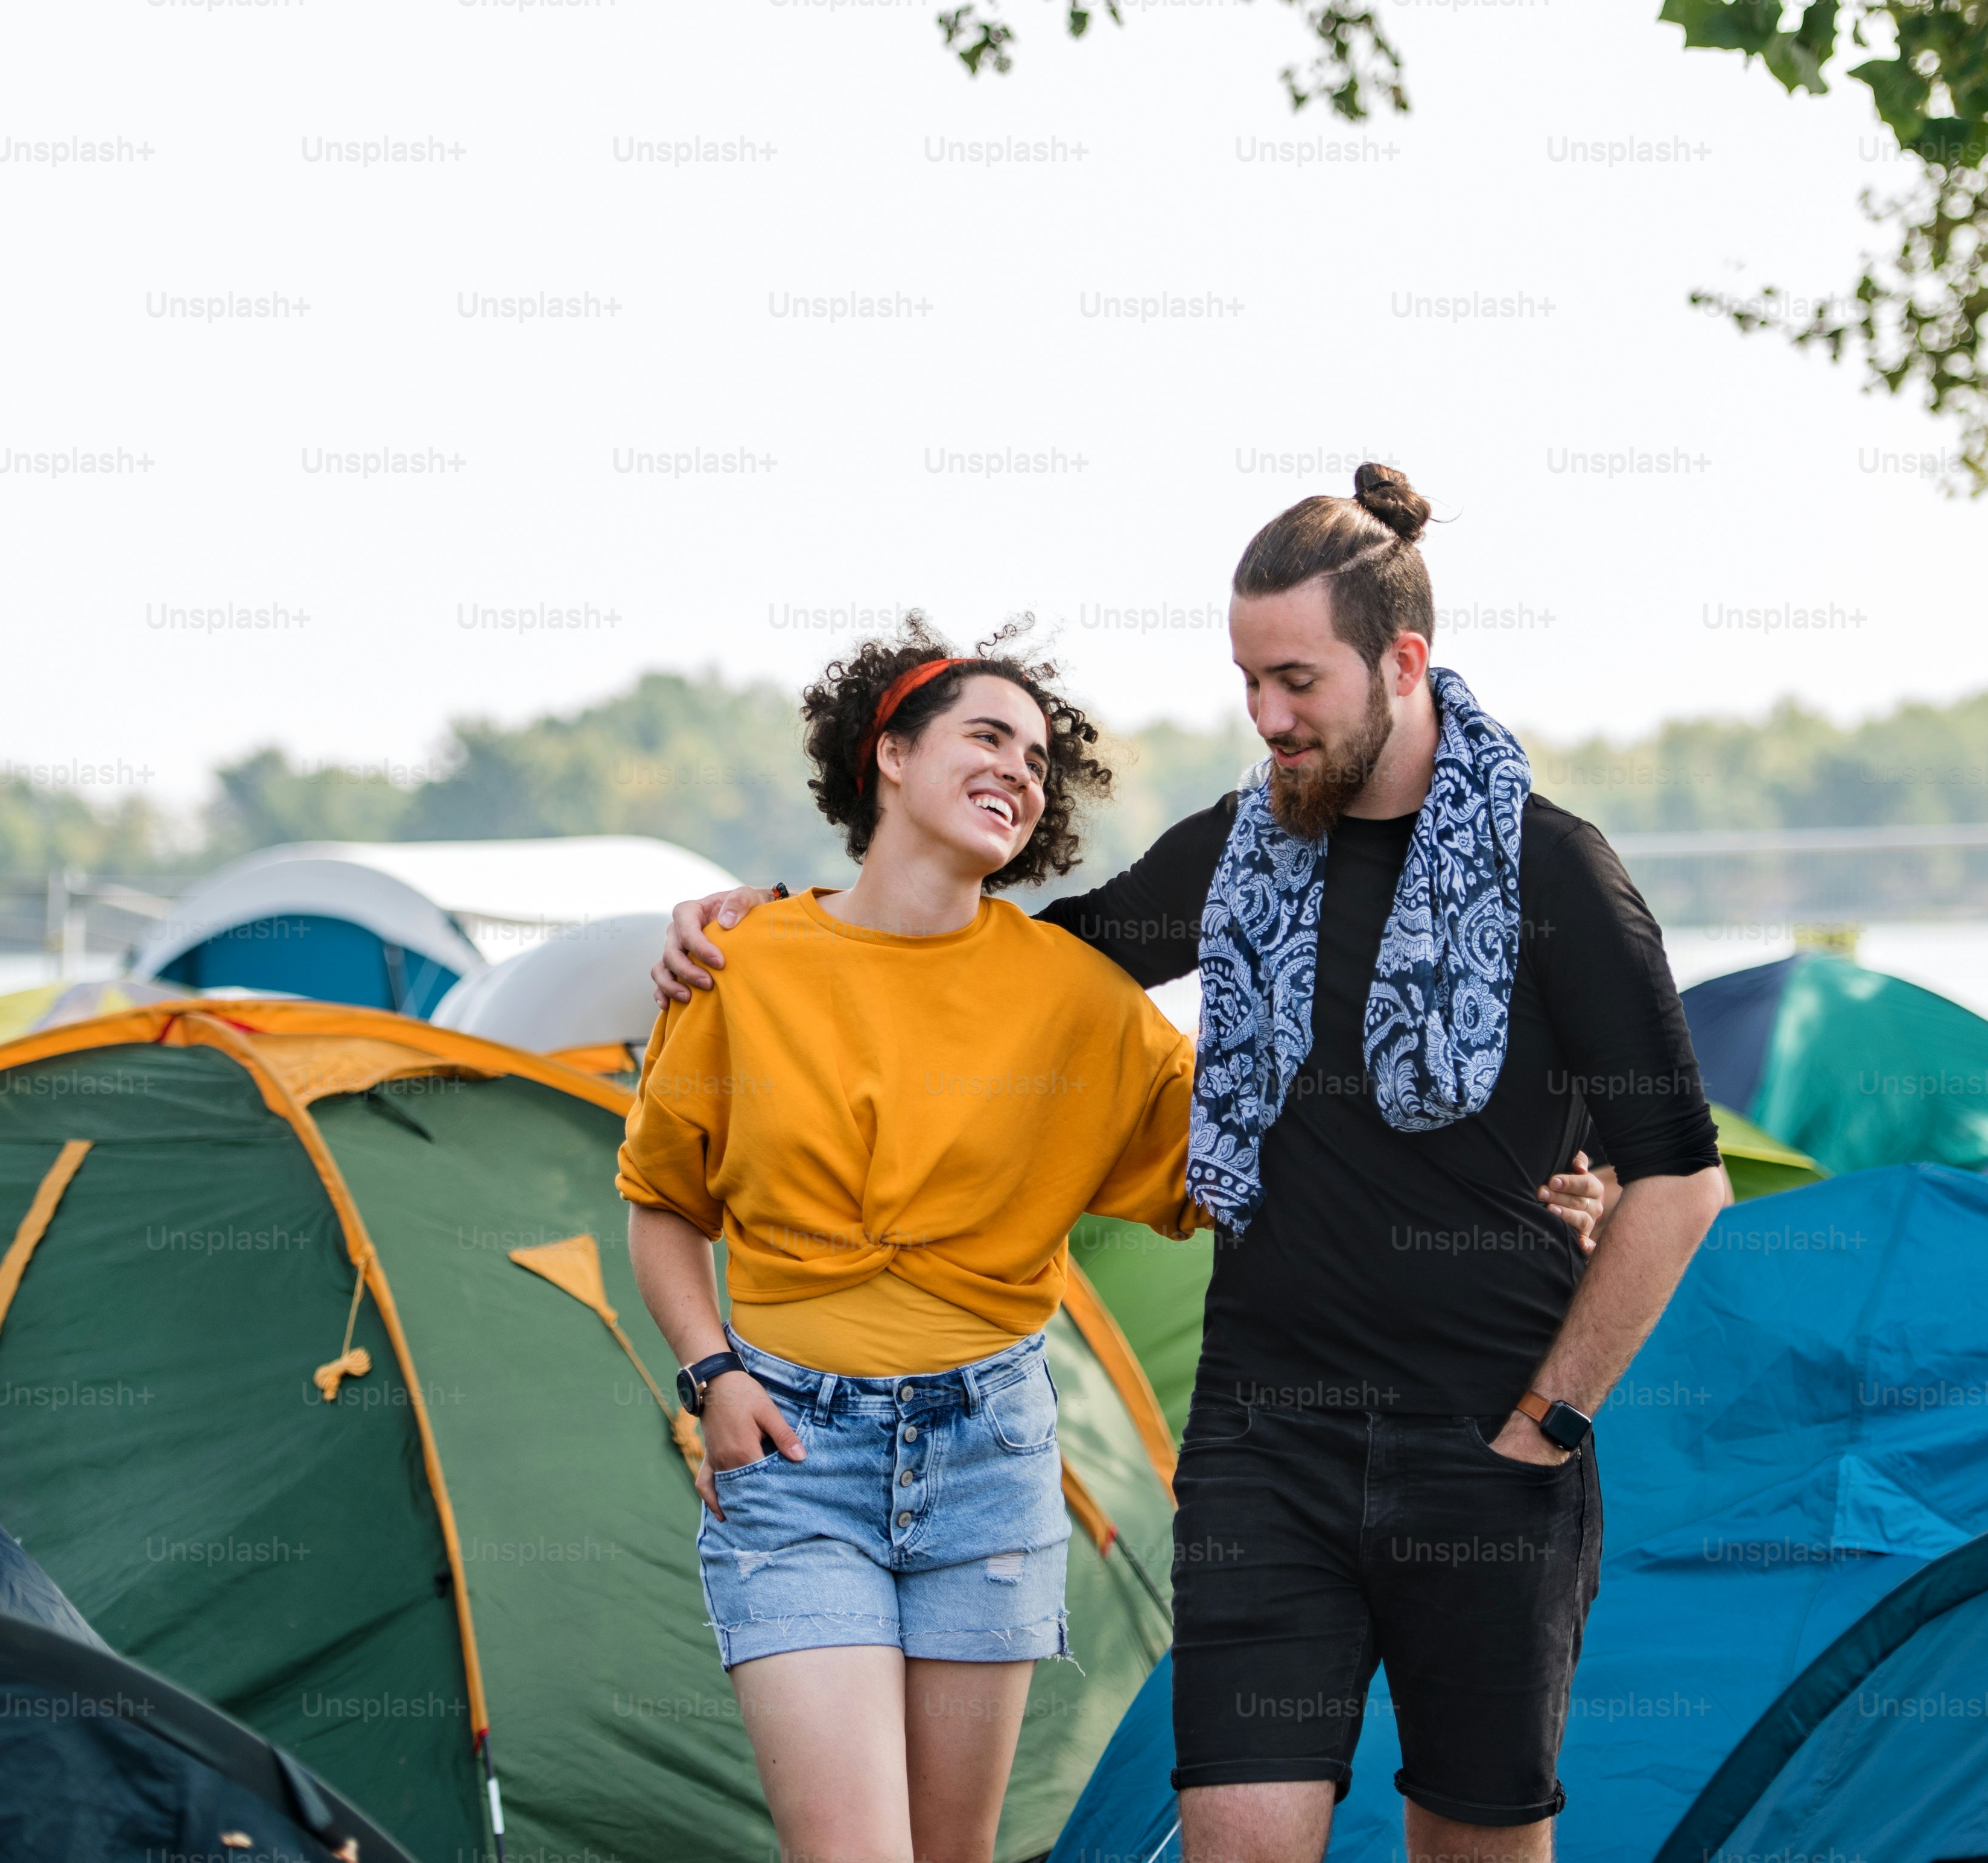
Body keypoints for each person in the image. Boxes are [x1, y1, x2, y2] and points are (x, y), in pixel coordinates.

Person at [658, 468, 1726, 1863]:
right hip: (1263, 1442)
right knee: (1236, 1833)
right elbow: (1025, 957)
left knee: (1474, 1838)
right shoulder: (1240, 849)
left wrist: (1551, 1421)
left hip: (1485, 1442)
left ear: (1402, 662)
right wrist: (764, 919)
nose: (1267, 718)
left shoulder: (1555, 874)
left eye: (1296, 681)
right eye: (1247, 681)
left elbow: (1682, 1179)